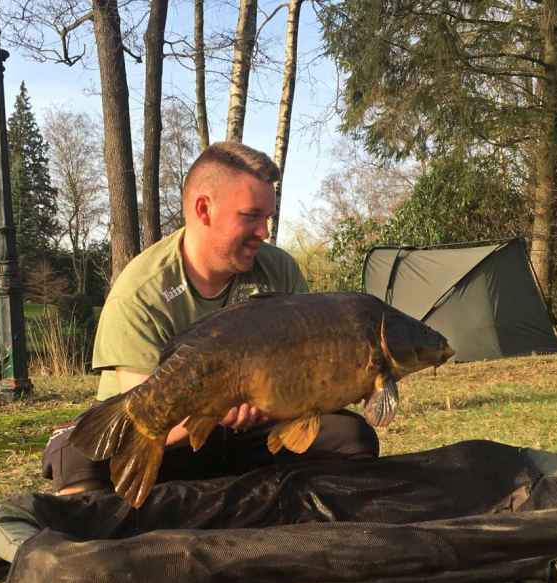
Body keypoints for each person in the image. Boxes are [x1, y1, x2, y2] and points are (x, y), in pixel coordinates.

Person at [44, 141, 378, 496]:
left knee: (348, 437)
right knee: (75, 455)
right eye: (251, 216)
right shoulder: (141, 291)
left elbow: (308, 377)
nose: (264, 232)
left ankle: (300, 532)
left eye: (267, 218)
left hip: (254, 433)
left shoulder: (279, 270)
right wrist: (215, 408)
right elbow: (146, 419)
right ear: (204, 209)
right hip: (176, 438)